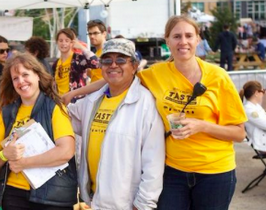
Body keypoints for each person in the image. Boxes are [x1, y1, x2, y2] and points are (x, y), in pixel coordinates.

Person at [63, 15, 247, 210]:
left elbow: (239, 133)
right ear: (167, 40)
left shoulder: (218, 77)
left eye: (188, 36)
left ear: (198, 40)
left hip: (215, 172)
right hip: (174, 171)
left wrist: (201, 125)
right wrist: (72, 94)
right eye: (176, 36)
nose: (183, 42)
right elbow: (116, 76)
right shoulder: (156, 74)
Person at [67, 38, 165, 209]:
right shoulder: (92, 100)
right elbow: (66, 117)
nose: (113, 65)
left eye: (121, 59)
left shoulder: (145, 104)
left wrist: (143, 204)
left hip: (126, 203)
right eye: (106, 60)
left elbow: (154, 162)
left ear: (134, 66)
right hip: (94, 200)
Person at [0, 53, 77, 210]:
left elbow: (66, 151)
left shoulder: (54, 108)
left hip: (51, 194)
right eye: (15, 78)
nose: (21, 81)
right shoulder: (7, 112)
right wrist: (5, 154)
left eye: (25, 74)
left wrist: (24, 163)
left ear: (38, 75)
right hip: (14, 194)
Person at [52, 28, 100, 101]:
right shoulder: (56, 64)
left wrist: (81, 47)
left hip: (76, 103)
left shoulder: (78, 59)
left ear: (72, 42)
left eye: (67, 41)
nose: (63, 43)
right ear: (57, 42)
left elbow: (96, 63)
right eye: (60, 40)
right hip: (60, 102)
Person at [240, 81, 266, 155]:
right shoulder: (249, 109)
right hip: (262, 143)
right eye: (262, 91)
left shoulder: (256, 106)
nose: (263, 94)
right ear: (256, 93)